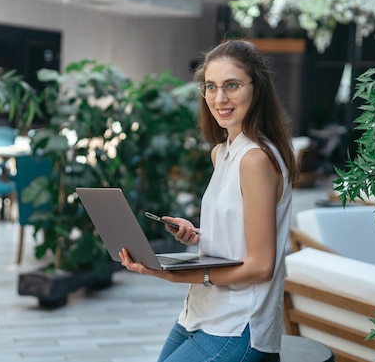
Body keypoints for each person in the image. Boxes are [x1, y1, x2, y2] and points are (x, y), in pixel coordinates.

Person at [119, 39, 298, 362]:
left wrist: (172, 274)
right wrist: (199, 233)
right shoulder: (223, 152)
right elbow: (241, 233)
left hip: (239, 321)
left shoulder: (255, 158)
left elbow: (260, 266)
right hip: (201, 311)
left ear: (257, 88)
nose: (219, 98)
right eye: (210, 87)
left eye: (232, 85)